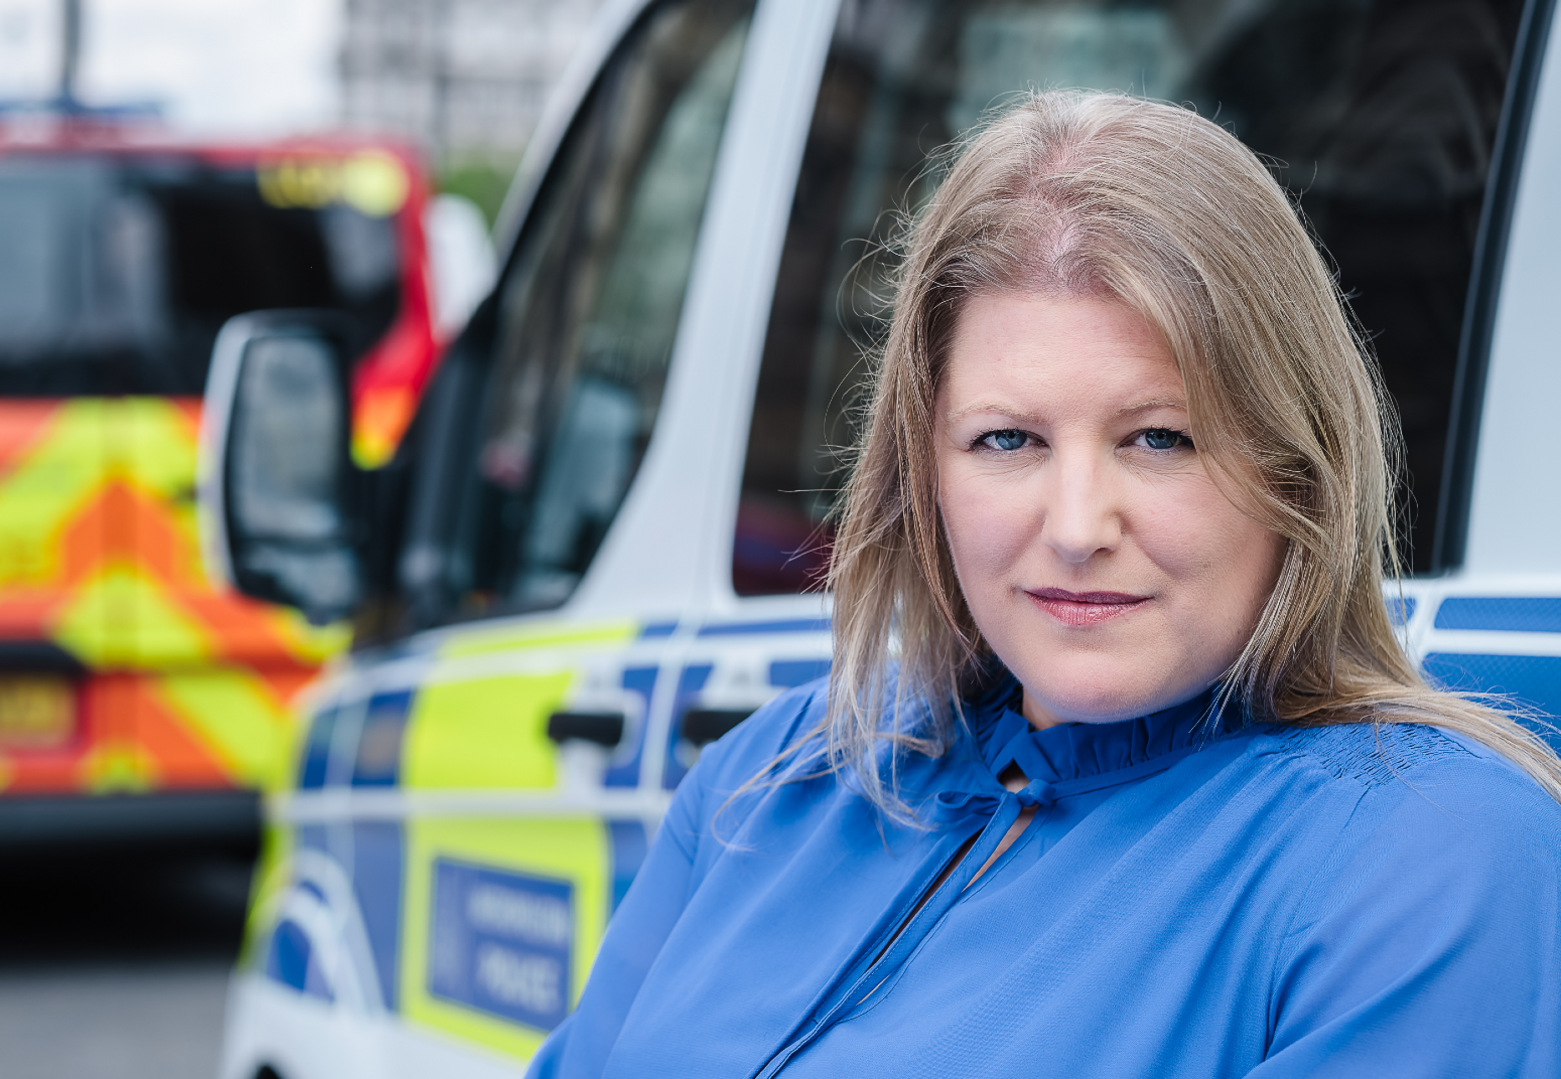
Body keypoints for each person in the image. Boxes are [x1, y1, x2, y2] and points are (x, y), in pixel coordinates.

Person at [527, 91, 1561, 1077]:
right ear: (921, 470)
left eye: (1162, 437)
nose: (1075, 527)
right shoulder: (775, 778)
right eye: (1007, 439)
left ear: (1297, 464)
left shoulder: (1432, 863)